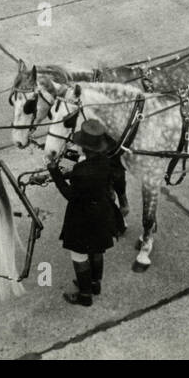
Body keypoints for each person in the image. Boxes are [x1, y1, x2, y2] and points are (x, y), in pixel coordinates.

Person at [45, 118, 122, 306]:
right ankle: (95, 283)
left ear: (85, 148)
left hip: (82, 218)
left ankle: (85, 295)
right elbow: (87, 167)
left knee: (79, 255)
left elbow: (69, 194)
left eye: (79, 145)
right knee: (97, 249)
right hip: (102, 214)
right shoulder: (105, 161)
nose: (76, 146)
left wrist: (54, 171)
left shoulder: (81, 171)